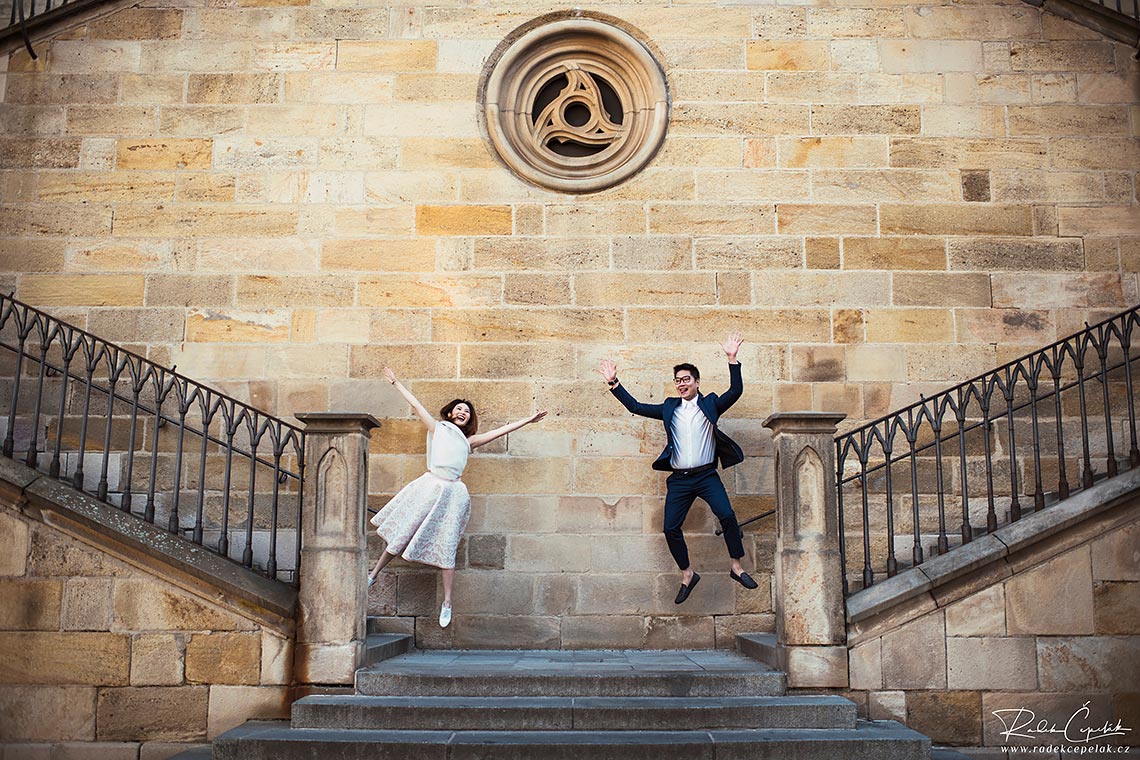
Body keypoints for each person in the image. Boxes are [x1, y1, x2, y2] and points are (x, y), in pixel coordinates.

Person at [368, 366, 547, 628]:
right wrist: (396, 383)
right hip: (431, 486)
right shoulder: (437, 428)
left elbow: (502, 431)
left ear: (469, 419)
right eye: (459, 409)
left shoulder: (469, 441)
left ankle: (447, 602)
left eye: (467, 411)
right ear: (450, 413)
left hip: (453, 493)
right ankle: (372, 576)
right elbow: (417, 406)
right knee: (403, 533)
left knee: (447, 544)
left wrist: (528, 420)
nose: (463, 412)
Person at [598, 332, 759, 604]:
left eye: (686, 379)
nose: (681, 384)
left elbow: (736, 391)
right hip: (680, 480)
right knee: (670, 528)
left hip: (707, 475)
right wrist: (614, 382)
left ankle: (736, 566)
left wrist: (732, 359)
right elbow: (635, 406)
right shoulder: (670, 407)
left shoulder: (711, 404)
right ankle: (687, 573)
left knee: (728, 515)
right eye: (677, 381)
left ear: (697, 382)